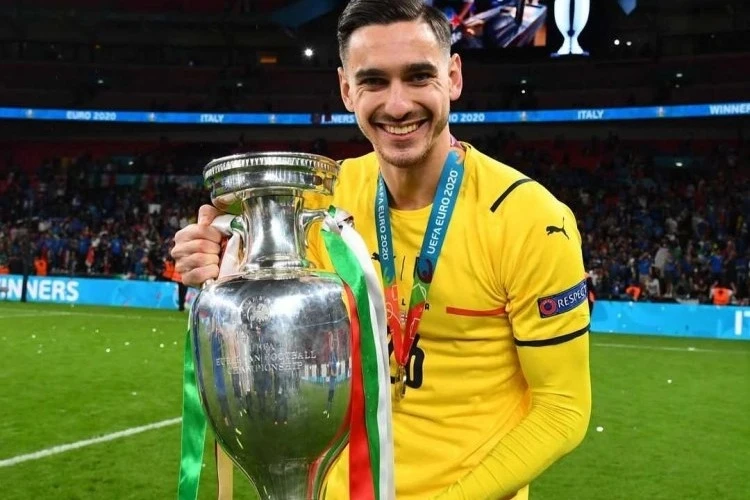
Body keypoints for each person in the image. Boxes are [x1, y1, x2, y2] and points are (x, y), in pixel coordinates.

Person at [171, 1, 591, 498]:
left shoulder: (530, 219)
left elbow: (563, 408)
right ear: (347, 89)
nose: (397, 105)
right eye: (373, 81)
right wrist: (218, 256)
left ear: (453, 77)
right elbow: (261, 319)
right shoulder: (321, 201)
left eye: (418, 77)